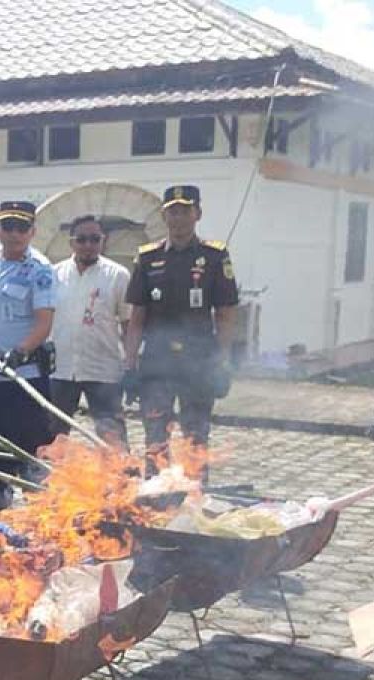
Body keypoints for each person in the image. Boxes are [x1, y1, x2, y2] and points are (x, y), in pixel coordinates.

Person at [125, 185, 239, 476]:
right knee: (155, 438)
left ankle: (194, 500)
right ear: (164, 216)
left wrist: (223, 362)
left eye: (184, 211)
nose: (178, 218)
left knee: (196, 440)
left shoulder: (214, 257)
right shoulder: (147, 258)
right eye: (172, 212)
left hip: (198, 363)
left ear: (197, 214)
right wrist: (129, 365)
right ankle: (154, 503)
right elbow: (137, 317)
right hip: (157, 364)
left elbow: (225, 314)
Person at [0, 200, 56, 511]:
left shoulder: (40, 269)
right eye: (8, 226)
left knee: (30, 439)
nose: (15, 234)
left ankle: (37, 507)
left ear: (32, 232)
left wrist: (21, 351)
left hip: (24, 374)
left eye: (22, 227)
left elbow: (44, 322)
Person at [50, 215, 131, 448]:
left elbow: (128, 322)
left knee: (112, 436)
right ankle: (50, 481)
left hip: (103, 369)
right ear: (71, 242)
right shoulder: (54, 275)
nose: (88, 245)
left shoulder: (118, 275)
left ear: (103, 241)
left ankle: (120, 483)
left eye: (95, 239)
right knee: (53, 435)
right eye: (82, 239)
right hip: (62, 370)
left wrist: (132, 363)